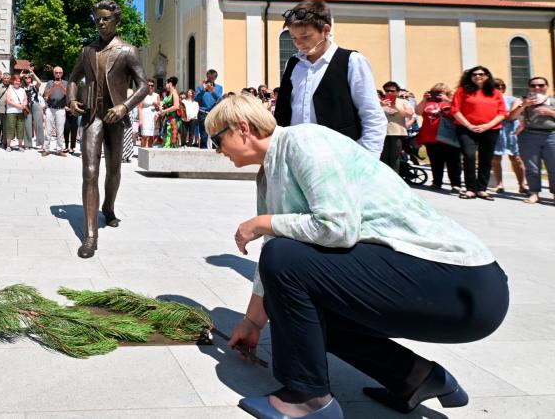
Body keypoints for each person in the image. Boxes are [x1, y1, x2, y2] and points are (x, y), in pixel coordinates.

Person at [209, 95, 507, 419]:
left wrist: (264, 222)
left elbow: (336, 227)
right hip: (445, 288)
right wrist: (253, 322)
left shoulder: (304, 141)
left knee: (285, 255)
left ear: (242, 128)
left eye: (217, 139)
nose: (217, 150)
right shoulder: (269, 175)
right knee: (303, 300)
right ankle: (416, 378)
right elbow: (275, 260)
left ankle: (306, 398)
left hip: (462, 281)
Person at [66, 0, 148, 258]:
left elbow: (144, 86)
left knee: (113, 170)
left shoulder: (127, 50)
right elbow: (72, 79)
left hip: (116, 117)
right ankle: (90, 236)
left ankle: (109, 208)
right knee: (90, 172)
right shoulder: (87, 51)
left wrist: (125, 107)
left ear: (116, 21)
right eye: (98, 19)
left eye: (106, 19)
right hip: (92, 116)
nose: (100, 23)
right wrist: (71, 99)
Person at [274, 0, 386, 155]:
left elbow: (372, 116)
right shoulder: (293, 64)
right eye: (293, 38)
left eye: (305, 36)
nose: (299, 43)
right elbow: (285, 112)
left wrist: (368, 160)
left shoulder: (352, 61)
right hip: (297, 155)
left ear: (326, 30)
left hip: (340, 156)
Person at [451, 66, 507, 200]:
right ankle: (470, 189)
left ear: (487, 76)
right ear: (470, 77)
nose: (477, 76)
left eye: (481, 74)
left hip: (490, 130)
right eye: (474, 74)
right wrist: (469, 125)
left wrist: (487, 126)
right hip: (466, 129)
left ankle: (482, 189)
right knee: (469, 156)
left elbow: (502, 113)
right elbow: (455, 110)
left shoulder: (495, 92)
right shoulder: (462, 91)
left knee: (486, 159)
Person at [508, 76, 555, 204]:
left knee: (553, 167)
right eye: (533, 86)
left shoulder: (552, 100)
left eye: (541, 85)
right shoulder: (521, 100)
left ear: (546, 86)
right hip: (529, 136)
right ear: (529, 87)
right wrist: (525, 105)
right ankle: (534, 193)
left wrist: (550, 113)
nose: (537, 88)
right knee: (532, 167)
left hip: (551, 135)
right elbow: (511, 117)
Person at [415, 83, 462, 192]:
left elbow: (459, 111)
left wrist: (447, 100)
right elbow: (418, 112)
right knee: (435, 161)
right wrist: (424, 100)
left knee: (453, 161)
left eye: (441, 93)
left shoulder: (452, 101)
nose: (437, 95)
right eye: (435, 92)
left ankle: (456, 184)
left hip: (449, 136)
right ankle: (436, 182)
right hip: (431, 137)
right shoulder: (427, 102)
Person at [491, 78, 529, 195]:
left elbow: (510, 117)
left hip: (511, 132)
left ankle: (522, 184)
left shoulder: (513, 99)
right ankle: (499, 184)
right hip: (496, 131)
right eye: (496, 86)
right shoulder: (488, 100)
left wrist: (505, 114)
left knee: (516, 158)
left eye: (502, 85)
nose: (500, 88)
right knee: (496, 158)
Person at [379, 81, 414, 176]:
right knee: (383, 156)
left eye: (392, 91)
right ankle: (383, 177)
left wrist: (394, 106)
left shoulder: (403, 102)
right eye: (387, 91)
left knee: (394, 157)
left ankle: (395, 177)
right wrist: (380, 105)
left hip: (397, 132)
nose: (389, 93)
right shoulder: (380, 101)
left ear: (398, 92)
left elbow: (409, 114)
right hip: (382, 132)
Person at [41, 66, 69, 156]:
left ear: (62, 73)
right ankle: (46, 149)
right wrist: (53, 87)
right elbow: (45, 94)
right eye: (56, 72)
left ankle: (60, 149)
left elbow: (67, 94)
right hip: (50, 108)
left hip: (61, 109)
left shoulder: (65, 83)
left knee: (60, 131)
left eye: (59, 72)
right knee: (48, 130)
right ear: (53, 73)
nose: (58, 74)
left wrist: (61, 86)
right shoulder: (50, 82)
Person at [194, 69, 224, 148]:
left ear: (215, 78)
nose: (210, 80)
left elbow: (220, 99)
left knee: (215, 135)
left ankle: (216, 153)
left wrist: (212, 91)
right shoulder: (200, 87)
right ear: (207, 77)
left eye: (212, 78)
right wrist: (203, 90)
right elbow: (196, 99)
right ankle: (203, 154)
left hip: (214, 113)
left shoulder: (219, 87)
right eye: (209, 78)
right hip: (203, 113)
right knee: (203, 136)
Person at [4, 74, 28, 151]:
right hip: (11, 112)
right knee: (10, 128)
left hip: (21, 112)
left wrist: (24, 104)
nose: (17, 82)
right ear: (13, 81)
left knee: (20, 128)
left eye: (18, 81)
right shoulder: (10, 89)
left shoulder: (22, 90)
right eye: (15, 81)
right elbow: (8, 101)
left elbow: (25, 99)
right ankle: (8, 146)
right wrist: (18, 106)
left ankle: (20, 146)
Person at [22, 72, 44, 150]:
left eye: (29, 77)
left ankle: (41, 143)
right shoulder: (22, 87)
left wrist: (33, 74)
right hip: (26, 106)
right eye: (26, 78)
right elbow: (14, 82)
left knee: (38, 124)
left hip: (35, 104)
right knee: (27, 124)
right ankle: (28, 144)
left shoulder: (34, 86)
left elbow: (39, 82)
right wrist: (21, 76)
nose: (27, 79)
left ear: (31, 79)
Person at [160, 77, 182, 148]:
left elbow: (176, 106)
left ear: (170, 84)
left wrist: (164, 111)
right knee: (169, 137)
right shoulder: (170, 94)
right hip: (169, 119)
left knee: (172, 138)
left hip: (174, 120)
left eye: (166, 83)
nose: (165, 85)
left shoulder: (174, 94)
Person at [138, 79, 160, 148]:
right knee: (144, 135)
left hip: (153, 117)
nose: (150, 87)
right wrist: (140, 119)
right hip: (145, 116)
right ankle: (142, 152)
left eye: (152, 85)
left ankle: (150, 151)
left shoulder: (157, 95)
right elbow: (140, 107)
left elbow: (158, 109)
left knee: (151, 135)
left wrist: (156, 105)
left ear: (154, 86)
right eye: (149, 85)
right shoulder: (143, 95)